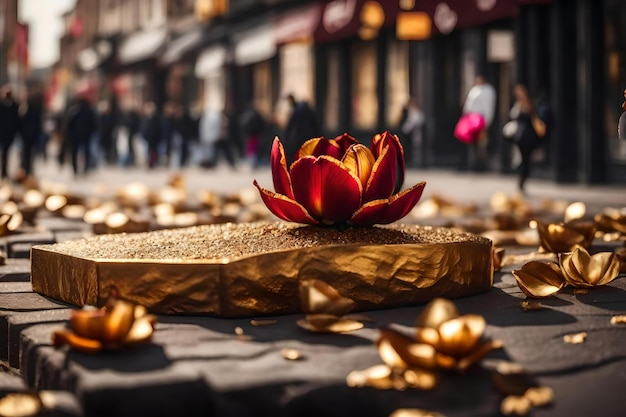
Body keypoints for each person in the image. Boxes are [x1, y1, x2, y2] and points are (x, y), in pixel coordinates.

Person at [507, 84, 544, 193]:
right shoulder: (517, 104)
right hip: (520, 136)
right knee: (522, 159)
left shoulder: (529, 105)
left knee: (525, 159)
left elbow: (533, 117)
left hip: (527, 136)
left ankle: (522, 180)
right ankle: (521, 180)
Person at [462, 75, 496, 171]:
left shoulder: (489, 90)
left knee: (482, 143)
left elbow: (488, 106)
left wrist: (487, 121)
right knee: (472, 142)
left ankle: (483, 164)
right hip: (472, 119)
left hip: (481, 119)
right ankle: (473, 163)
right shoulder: (474, 90)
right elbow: (468, 105)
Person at [64, 91, 98, 177]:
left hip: (76, 136)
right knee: (85, 153)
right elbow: (95, 124)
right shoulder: (89, 111)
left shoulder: (74, 111)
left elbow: (68, 125)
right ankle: (84, 169)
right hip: (85, 136)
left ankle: (76, 170)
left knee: (75, 153)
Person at [283, 93, 321, 164]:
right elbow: (316, 126)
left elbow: (290, 126)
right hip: (309, 138)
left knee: (298, 156)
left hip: (298, 138)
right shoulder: (310, 111)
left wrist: (286, 138)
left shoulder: (296, 111)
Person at [19, 86, 44, 177]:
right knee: (28, 153)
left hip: (28, 134)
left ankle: (26, 168)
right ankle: (26, 168)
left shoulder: (28, 108)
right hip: (29, 134)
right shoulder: (31, 108)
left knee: (27, 153)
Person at [398, 97, 425, 168]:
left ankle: (416, 161)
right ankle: (413, 160)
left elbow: (413, 122)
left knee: (416, 147)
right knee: (411, 147)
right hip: (409, 133)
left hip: (413, 133)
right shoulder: (407, 111)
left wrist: (405, 129)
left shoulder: (414, 112)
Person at [0, 86, 20, 180]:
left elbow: (17, 121)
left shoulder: (15, 106)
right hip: (2, 133)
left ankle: (4, 171)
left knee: (6, 153)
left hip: (9, 134)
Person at [239, 103, 266, 168]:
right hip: (256, 134)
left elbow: (242, 123)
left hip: (250, 134)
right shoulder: (257, 115)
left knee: (251, 148)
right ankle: (254, 162)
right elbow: (263, 124)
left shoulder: (247, 115)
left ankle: (252, 162)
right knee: (255, 148)